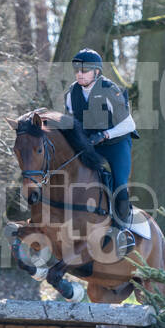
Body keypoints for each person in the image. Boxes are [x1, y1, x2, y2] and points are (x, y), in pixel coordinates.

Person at [65, 48, 140, 251]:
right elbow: (72, 122)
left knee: (119, 184)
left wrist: (105, 134)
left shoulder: (109, 90)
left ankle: (123, 231)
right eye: (77, 70)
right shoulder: (72, 93)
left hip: (116, 144)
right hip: (90, 144)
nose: (79, 73)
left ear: (96, 72)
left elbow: (129, 125)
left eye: (85, 70)